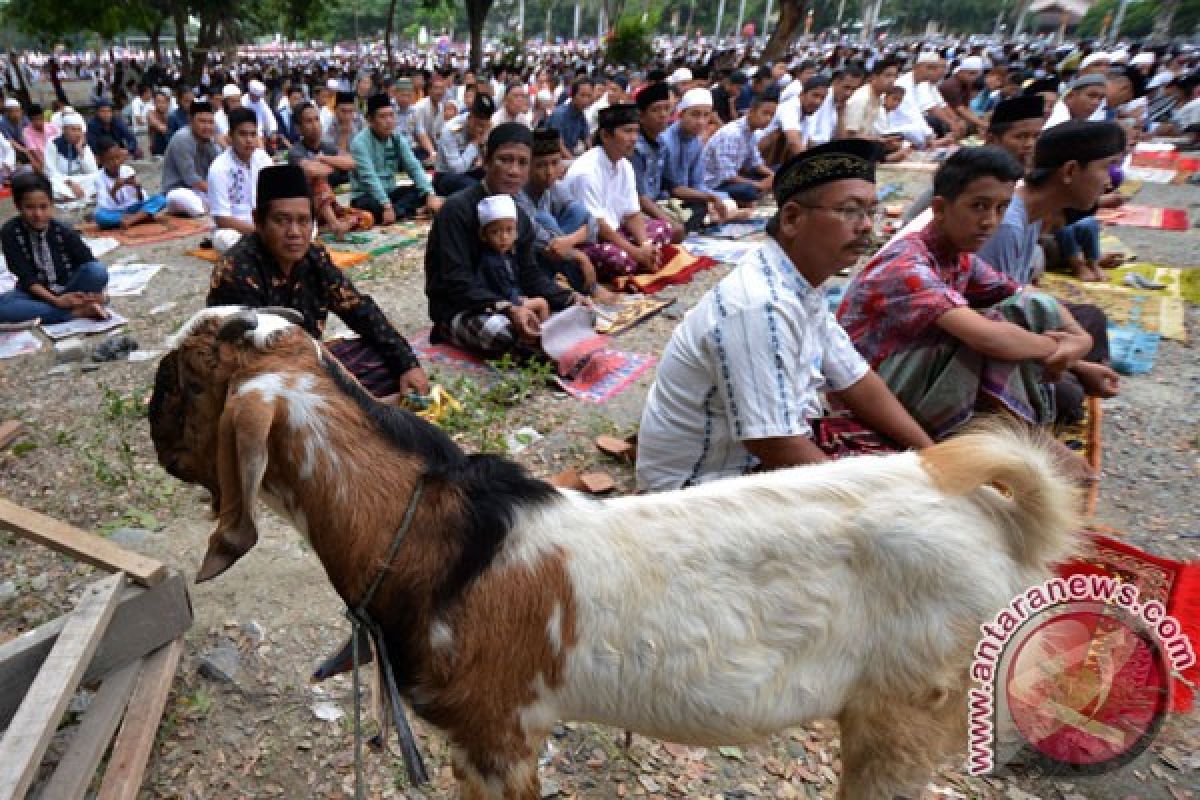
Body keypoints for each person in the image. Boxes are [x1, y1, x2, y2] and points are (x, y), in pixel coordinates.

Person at [636, 140, 934, 492]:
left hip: (753, 459)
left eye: (871, 211)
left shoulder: (801, 284)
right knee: (889, 507)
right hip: (699, 487)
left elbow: (856, 379)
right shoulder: (760, 305)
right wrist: (862, 502)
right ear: (792, 219)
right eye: (850, 210)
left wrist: (932, 458)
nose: (866, 225)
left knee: (900, 471)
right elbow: (774, 442)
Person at [836, 147, 1094, 471]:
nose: (990, 221)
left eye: (1001, 208)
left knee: (1026, 313)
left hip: (910, 378)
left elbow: (1027, 296)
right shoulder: (907, 265)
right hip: (864, 394)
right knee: (985, 333)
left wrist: (1079, 342)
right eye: (979, 207)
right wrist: (1057, 348)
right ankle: (1023, 434)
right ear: (940, 209)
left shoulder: (959, 256)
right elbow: (989, 339)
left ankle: (1014, 430)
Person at [207, 164, 428, 400]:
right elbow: (246, 357)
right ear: (258, 221)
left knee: (384, 361)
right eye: (281, 221)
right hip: (257, 379)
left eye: (303, 221)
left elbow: (358, 308)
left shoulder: (314, 258)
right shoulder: (238, 269)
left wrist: (407, 363)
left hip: (307, 365)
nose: (294, 232)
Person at [977, 121, 1126, 423]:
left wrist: (1071, 348)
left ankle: (1063, 378)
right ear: (1070, 171)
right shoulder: (1006, 224)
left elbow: (1018, 294)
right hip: (980, 340)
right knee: (1068, 398)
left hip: (1009, 322)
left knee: (1091, 319)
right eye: (1106, 167)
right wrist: (1075, 362)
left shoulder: (1031, 214)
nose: (1109, 182)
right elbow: (992, 323)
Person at [425, 123, 582, 357]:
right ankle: (548, 347)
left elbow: (530, 274)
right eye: (505, 160)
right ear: (486, 162)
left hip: (512, 302)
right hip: (461, 308)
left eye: (522, 163)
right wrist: (508, 308)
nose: (513, 171)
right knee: (499, 332)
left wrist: (569, 298)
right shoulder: (456, 209)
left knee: (577, 311)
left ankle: (545, 344)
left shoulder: (519, 217)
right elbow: (456, 282)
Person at [564, 103, 675, 281]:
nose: (634, 138)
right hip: (590, 240)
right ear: (606, 136)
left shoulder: (624, 165)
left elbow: (632, 214)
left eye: (636, 132)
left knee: (665, 228)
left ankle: (641, 257)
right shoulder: (586, 171)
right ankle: (638, 260)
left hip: (617, 232)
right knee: (620, 260)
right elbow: (598, 227)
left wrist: (644, 245)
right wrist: (635, 252)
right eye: (627, 131)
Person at [0, 172, 110, 324]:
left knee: (97, 271)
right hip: (34, 293)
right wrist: (56, 301)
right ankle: (76, 312)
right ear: (18, 206)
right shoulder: (10, 232)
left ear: (52, 204)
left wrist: (95, 295)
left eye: (43, 207)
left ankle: (58, 310)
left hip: (70, 288)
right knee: (3, 307)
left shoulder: (63, 230)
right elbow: (27, 278)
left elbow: (87, 262)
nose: (38, 214)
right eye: (30, 208)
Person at [517, 128, 609, 300]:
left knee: (577, 212)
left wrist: (569, 241)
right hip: (524, 264)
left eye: (554, 163)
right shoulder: (518, 193)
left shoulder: (553, 187)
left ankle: (578, 284)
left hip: (554, 252)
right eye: (541, 165)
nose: (549, 171)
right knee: (545, 219)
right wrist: (578, 256)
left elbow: (591, 222)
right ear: (527, 166)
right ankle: (587, 287)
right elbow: (539, 238)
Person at [350, 93, 442, 224]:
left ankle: (398, 212)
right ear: (370, 120)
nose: (389, 121)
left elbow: (413, 166)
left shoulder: (397, 138)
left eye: (391, 115)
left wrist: (430, 194)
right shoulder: (359, 143)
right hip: (367, 195)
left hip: (390, 192)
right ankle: (411, 211)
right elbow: (369, 178)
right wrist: (386, 206)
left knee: (424, 189)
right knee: (370, 207)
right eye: (382, 116)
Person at [288, 102, 372, 237]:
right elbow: (313, 171)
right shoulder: (295, 151)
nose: (315, 125)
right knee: (319, 181)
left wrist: (323, 159)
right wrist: (335, 164)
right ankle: (334, 225)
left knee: (367, 218)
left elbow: (352, 163)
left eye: (317, 119)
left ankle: (325, 228)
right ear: (299, 128)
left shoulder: (327, 147)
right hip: (307, 208)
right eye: (309, 121)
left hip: (330, 206)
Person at [662, 88, 731, 231]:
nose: (701, 121)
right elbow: (673, 189)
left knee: (728, 200)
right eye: (695, 115)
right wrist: (709, 199)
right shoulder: (666, 141)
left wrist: (710, 198)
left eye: (706, 116)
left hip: (689, 198)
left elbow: (697, 184)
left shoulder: (696, 142)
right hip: (668, 201)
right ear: (681, 114)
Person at [208, 107, 274, 253]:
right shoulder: (219, 168)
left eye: (253, 134)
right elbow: (222, 220)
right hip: (234, 230)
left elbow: (275, 200)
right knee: (224, 239)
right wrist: (260, 232)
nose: (249, 140)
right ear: (230, 136)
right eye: (243, 134)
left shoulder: (263, 159)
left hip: (264, 226)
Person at [630, 81, 686, 242]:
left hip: (657, 202)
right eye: (656, 110)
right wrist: (668, 220)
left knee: (697, 209)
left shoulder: (662, 143)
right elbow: (640, 198)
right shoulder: (635, 148)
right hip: (639, 209)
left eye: (666, 109)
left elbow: (673, 186)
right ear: (641, 116)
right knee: (670, 228)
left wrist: (710, 197)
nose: (663, 115)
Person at [701, 88, 777, 206]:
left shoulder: (751, 133)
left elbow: (756, 163)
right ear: (751, 111)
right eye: (765, 113)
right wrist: (759, 185)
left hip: (733, 178)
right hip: (716, 184)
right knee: (748, 191)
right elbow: (728, 176)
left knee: (778, 170)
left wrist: (773, 176)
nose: (768, 119)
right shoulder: (732, 133)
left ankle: (761, 191)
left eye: (772, 115)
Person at [92, 137, 168, 230]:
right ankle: (142, 217)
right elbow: (106, 206)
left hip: (133, 209)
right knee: (100, 217)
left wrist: (138, 188)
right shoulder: (99, 178)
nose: (116, 162)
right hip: (116, 212)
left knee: (161, 199)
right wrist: (114, 190)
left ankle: (133, 220)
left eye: (118, 158)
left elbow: (141, 200)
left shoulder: (127, 170)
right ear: (100, 160)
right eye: (110, 160)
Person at [161, 100, 220, 217]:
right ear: (191, 121)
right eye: (202, 121)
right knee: (190, 203)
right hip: (178, 190)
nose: (207, 126)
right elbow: (191, 179)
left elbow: (217, 168)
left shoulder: (210, 140)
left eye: (210, 122)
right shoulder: (182, 138)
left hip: (200, 190)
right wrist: (218, 192)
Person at [434, 93, 493, 196]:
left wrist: (483, 145)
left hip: (472, 171)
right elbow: (457, 169)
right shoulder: (451, 129)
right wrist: (474, 143)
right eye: (478, 124)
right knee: (477, 188)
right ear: (471, 116)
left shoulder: (488, 127)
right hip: (447, 175)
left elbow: (486, 163)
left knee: (494, 182)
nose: (480, 129)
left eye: (484, 125)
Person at [43, 112, 98, 203]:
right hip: (61, 181)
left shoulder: (83, 145)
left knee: (98, 177)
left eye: (79, 130)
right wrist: (70, 183)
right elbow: (50, 171)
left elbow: (92, 171)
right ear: (64, 129)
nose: (77, 133)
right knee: (51, 184)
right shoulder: (53, 144)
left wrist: (80, 151)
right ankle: (80, 196)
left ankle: (73, 197)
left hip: (80, 180)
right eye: (73, 129)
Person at [546, 77, 595, 159]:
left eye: (589, 96)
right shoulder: (559, 114)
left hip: (569, 156)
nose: (586, 100)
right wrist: (574, 163)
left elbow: (587, 140)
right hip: (554, 158)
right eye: (582, 95)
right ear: (572, 95)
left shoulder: (581, 115)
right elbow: (559, 146)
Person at [937, 56, 985, 134]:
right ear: (961, 71)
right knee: (964, 125)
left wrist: (978, 121)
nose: (974, 77)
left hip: (956, 116)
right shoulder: (951, 85)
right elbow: (960, 109)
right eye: (971, 73)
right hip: (943, 118)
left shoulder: (967, 83)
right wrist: (983, 124)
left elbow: (966, 107)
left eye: (976, 74)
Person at [147, 89, 172, 157]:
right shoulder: (151, 114)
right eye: (158, 102)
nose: (161, 104)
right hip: (157, 150)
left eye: (164, 102)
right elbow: (162, 129)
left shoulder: (170, 115)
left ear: (168, 103)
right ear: (154, 103)